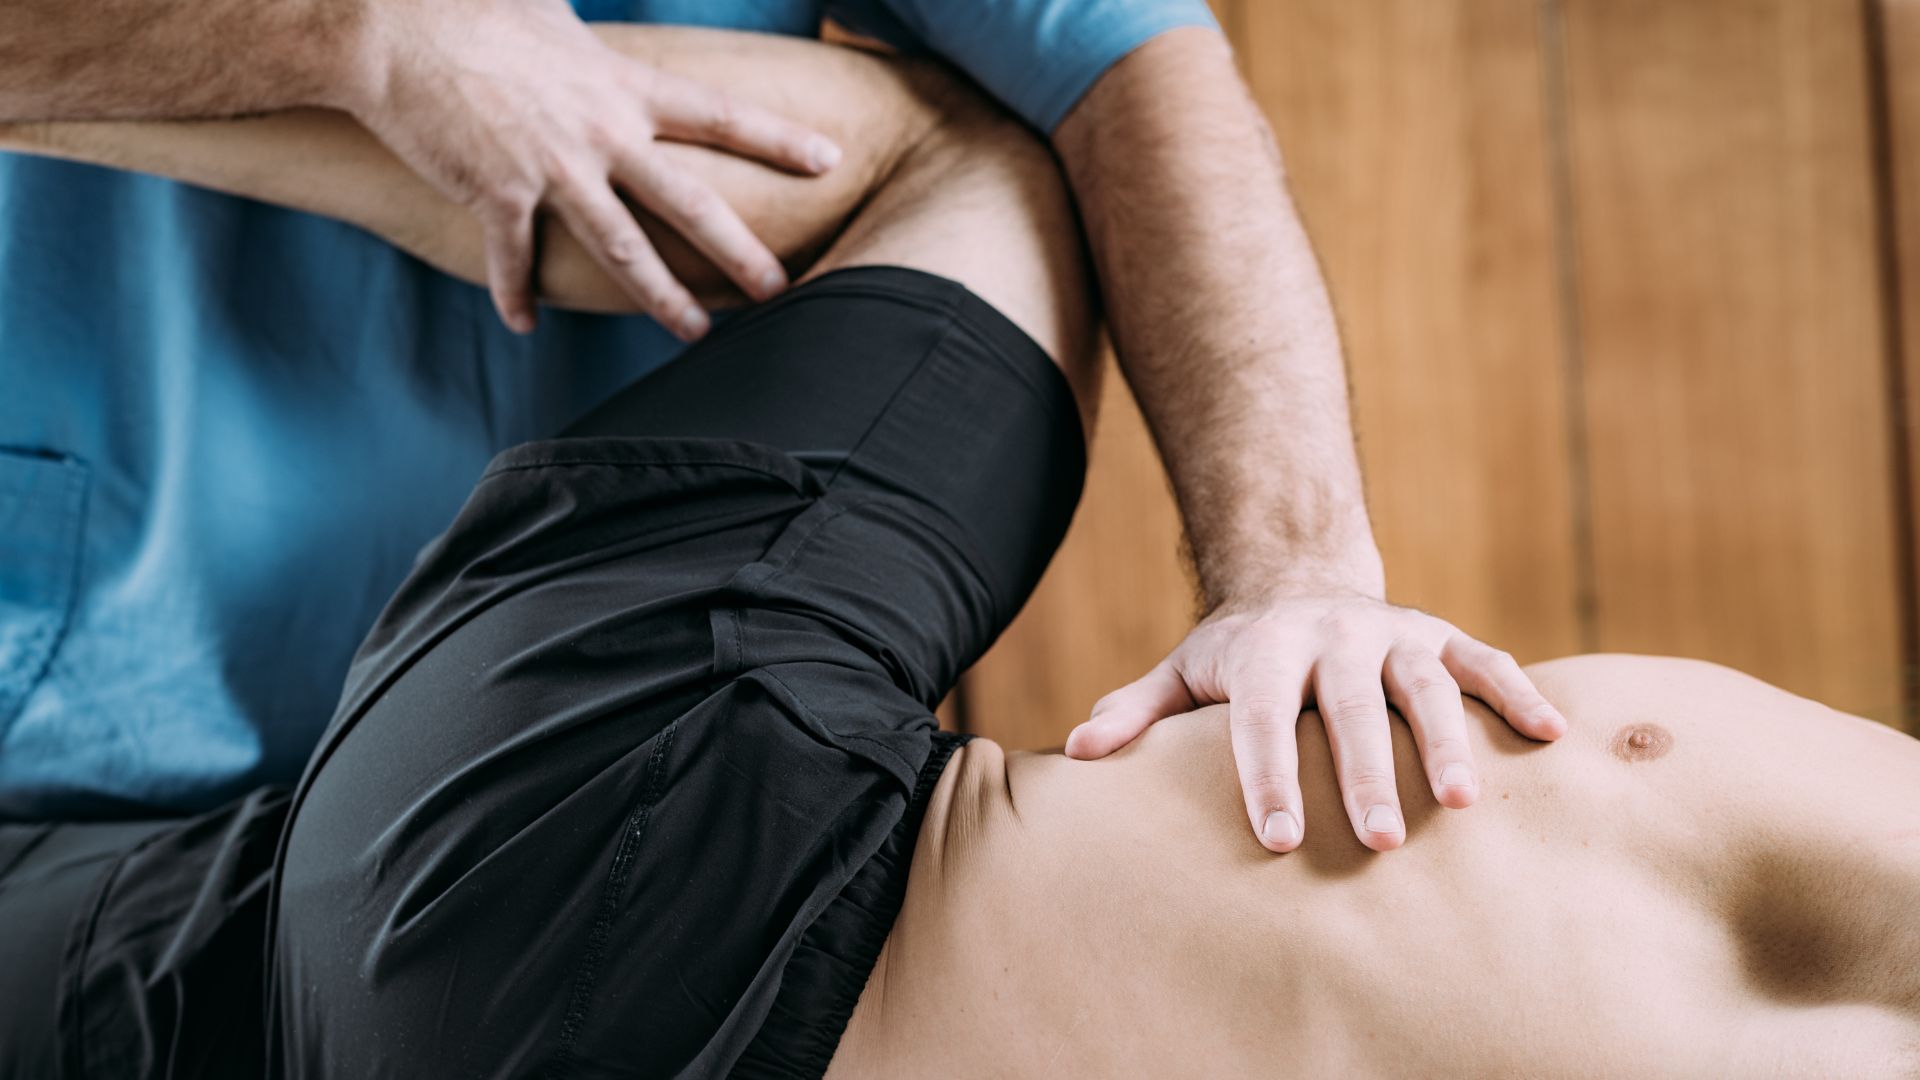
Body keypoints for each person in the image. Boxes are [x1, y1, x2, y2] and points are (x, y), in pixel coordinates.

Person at [4, 28, 1916, 1079]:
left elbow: (1120, 89)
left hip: (603, 831)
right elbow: (1129, 75)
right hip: (430, 907)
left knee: (957, 167)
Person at [1, 0, 1567, 852]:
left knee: (958, 145)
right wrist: (348, 36)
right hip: (89, 743)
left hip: (599, 745)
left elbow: (1138, 72)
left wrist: (1299, 574)